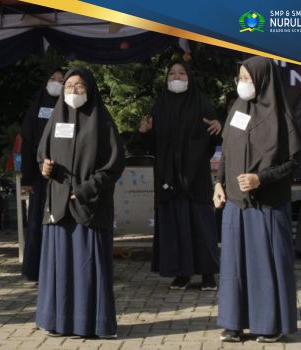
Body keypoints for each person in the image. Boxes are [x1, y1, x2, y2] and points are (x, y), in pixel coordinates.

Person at [214, 56, 301, 343]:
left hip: (267, 205)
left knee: (265, 266)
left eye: (248, 79)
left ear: (263, 80)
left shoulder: (280, 116)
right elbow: (226, 151)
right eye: (240, 79)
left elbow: (292, 162)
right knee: (234, 267)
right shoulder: (237, 109)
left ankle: (269, 324)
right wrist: (218, 184)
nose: (243, 85)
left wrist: (260, 178)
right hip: (236, 205)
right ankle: (233, 323)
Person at [35, 67, 124, 338]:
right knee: (60, 270)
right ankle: (58, 323)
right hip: (59, 206)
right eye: (69, 85)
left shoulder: (102, 121)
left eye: (80, 86)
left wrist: (86, 190)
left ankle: (92, 325)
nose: (73, 91)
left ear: (90, 89)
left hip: (89, 207)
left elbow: (113, 165)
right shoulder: (56, 117)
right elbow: (42, 154)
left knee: (87, 269)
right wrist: (45, 167)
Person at [139, 61, 221, 290]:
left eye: (182, 73)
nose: (176, 77)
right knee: (175, 226)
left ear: (190, 77)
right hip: (168, 178)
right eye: (172, 73)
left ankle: (208, 274)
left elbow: (211, 141)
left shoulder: (202, 105)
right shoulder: (160, 107)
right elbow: (153, 145)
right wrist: (144, 133)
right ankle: (181, 273)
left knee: (201, 226)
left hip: (195, 178)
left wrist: (217, 128)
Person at [20, 68, 64, 282]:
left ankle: (59, 269)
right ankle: (35, 270)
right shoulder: (37, 106)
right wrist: (27, 177)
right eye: (52, 79)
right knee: (37, 222)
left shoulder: (69, 107)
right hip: (38, 175)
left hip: (64, 175)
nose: (56, 83)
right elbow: (27, 142)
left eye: (61, 80)